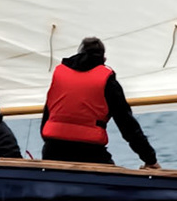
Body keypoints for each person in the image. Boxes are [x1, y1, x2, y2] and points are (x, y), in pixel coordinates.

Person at [41, 37, 159, 168]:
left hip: (52, 151)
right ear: (104, 59)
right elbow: (128, 126)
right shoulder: (107, 81)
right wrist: (150, 160)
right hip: (90, 153)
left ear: (78, 53)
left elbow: (47, 115)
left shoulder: (60, 74)